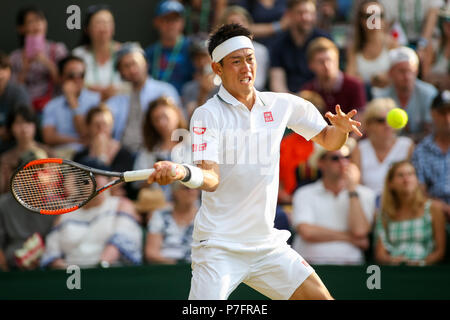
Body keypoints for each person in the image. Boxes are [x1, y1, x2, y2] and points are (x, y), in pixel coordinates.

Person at [146, 24, 363, 300]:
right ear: (217, 69)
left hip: (266, 246)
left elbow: (329, 140)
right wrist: (181, 172)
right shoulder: (206, 115)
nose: (246, 67)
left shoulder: (283, 104)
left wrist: (342, 130)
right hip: (219, 247)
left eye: (249, 59)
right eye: (236, 61)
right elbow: (210, 179)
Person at [40, 160, 143, 269]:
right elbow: (52, 251)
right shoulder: (65, 214)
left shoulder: (121, 205)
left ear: (107, 179)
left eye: (99, 175)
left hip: (110, 274)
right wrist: (71, 273)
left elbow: (123, 240)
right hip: (72, 278)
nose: (94, 180)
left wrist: (101, 266)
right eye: (89, 176)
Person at [292, 145, 376, 265]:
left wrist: (352, 190)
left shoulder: (365, 194)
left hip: (350, 267)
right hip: (308, 267)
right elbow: (307, 232)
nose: (343, 162)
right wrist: (350, 238)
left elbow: (360, 231)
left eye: (347, 157)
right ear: (321, 163)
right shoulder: (304, 193)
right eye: (335, 158)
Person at [107, 43, 181, 154]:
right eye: (126, 66)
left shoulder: (165, 90)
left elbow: (178, 124)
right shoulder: (117, 95)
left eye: (135, 63)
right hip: (122, 150)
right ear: (120, 71)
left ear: (146, 64)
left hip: (154, 150)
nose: (132, 69)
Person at [374, 160, 446, 266]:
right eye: (400, 175)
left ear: (417, 180)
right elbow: (380, 254)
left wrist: (421, 263)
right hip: (395, 270)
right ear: (390, 184)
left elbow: (440, 252)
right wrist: (392, 260)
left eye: (410, 174)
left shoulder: (433, 209)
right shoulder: (385, 215)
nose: (406, 179)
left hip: (425, 270)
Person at [0, 149, 57, 271]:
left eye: (42, 170)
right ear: (20, 176)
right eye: (31, 171)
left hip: (48, 268)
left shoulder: (59, 206)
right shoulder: (3, 204)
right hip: (11, 270)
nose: (38, 176)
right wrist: (5, 271)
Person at [351, 98, 414, 203]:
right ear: (369, 124)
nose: (387, 124)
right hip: (368, 204)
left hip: (401, 203)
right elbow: (357, 186)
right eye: (381, 120)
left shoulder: (407, 146)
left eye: (390, 119)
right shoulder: (359, 149)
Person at [373, 46, 438, 141]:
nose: (407, 76)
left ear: (416, 71)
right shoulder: (380, 97)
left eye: (410, 71)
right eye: (401, 71)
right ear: (391, 73)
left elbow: (431, 132)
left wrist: (405, 143)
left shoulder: (429, 93)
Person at [9, 6, 68, 113]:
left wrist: (46, 62)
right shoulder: (14, 57)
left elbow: (65, 82)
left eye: (40, 20)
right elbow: (12, 90)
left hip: (53, 106)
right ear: (21, 28)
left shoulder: (58, 50)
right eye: (31, 21)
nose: (37, 25)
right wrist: (25, 68)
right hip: (25, 110)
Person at [41, 55, 101, 158]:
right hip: (60, 156)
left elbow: (85, 133)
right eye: (71, 75)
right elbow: (49, 137)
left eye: (81, 75)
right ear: (61, 78)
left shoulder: (95, 100)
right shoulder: (51, 106)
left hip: (87, 155)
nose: (77, 79)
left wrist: (73, 101)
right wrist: (77, 140)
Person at [133, 96, 189, 202]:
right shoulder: (148, 152)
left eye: (165, 117)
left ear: (177, 114)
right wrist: (152, 174)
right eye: (156, 119)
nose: (161, 123)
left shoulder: (192, 145)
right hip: (157, 206)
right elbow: (138, 185)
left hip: (189, 206)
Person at [269, 0, 332, 93]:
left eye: (310, 13)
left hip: (320, 100)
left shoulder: (325, 40)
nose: (306, 17)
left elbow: (332, 79)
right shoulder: (278, 44)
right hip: (290, 101)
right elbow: (277, 85)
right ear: (289, 14)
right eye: (300, 13)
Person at [72, 104, 134, 198]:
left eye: (105, 124)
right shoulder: (80, 155)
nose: (101, 129)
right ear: (89, 127)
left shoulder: (124, 154)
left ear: (112, 125)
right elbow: (71, 188)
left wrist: (101, 156)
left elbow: (112, 186)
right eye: (96, 125)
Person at [345, 1, 398, 99]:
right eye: (369, 16)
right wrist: (374, 80)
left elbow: (398, 76)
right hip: (364, 100)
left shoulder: (393, 45)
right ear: (361, 20)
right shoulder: (354, 48)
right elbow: (350, 79)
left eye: (379, 16)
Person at [301, 37, 367, 115]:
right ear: (311, 65)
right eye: (320, 61)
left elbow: (359, 122)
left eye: (330, 60)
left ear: (337, 60)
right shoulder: (308, 91)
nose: (327, 65)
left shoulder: (354, 86)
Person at [72, 4, 124, 101]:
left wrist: (116, 89)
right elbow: (71, 84)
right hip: (88, 107)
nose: (104, 28)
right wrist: (90, 89)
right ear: (87, 29)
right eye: (99, 23)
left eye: (108, 23)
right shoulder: (78, 55)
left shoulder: (125, 53)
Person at [412, 90, 450, 220]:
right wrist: (442, 208)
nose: (447, 118)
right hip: (433, 215)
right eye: (443, 112)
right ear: (433, 114)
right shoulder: (421, 151)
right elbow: (420, 192)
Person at [0, 105, 53, 194]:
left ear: (35, 125)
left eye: (28, 122)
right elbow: (3, 190)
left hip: (45, 201)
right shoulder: (5, 158)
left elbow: (55, 183)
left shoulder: (48, 152)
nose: (24, 128)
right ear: (11, 127)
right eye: (18, 123)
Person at [145, 0, 195, 94]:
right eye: (166, 19)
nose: (171, 24)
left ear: (182, 22)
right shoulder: (150, 52)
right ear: (157, 22)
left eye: (175, 19)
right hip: (154, 103)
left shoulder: (192, 48)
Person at [145, 181, 199, 264]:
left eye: (195, 188)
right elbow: (151, 252)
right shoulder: (161, 214)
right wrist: (175, 264)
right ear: (174, 191)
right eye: (186, 188)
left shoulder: (204, 216)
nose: (192, 191)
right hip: (166, 269)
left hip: (196, 269)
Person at [219, 5, 270, 91]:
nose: (239, 26)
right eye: (233, 22)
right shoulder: (218, 52)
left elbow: (259, 83)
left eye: (242, 21)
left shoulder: (261, 51)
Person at [181, 34, 219, 120]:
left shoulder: (227, 83)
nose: (202, 62)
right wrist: (203, 93)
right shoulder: (189, 88)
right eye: (197, 58)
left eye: (205, 56)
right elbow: (193, 121)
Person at [0, 52, 30, 152]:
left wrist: (8, 130)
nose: (1, 74)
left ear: (10, 71)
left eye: (4, 68)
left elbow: (24, 122)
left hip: (14, 146)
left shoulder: (19, 92)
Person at [422, 6, 450, 91]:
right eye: (446, 20)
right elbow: (425, 77)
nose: (448, 25)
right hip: (434, 93)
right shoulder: (434, 45)